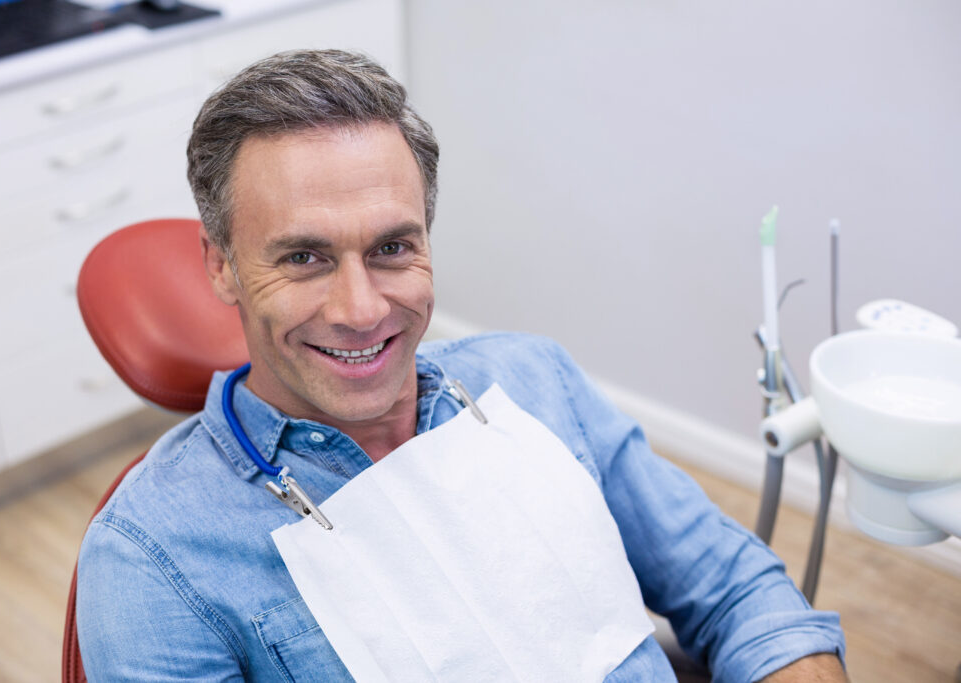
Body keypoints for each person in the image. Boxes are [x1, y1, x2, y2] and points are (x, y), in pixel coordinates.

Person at [76, 49, 847, 682]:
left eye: (391, 248)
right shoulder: (154, 557)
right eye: (304, 256)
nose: (362, 307)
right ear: (220, 267)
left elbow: (739, 590)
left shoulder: (534, 380)